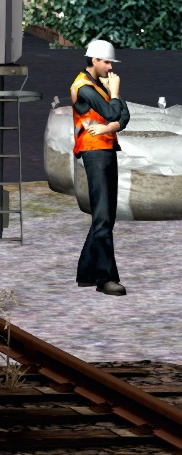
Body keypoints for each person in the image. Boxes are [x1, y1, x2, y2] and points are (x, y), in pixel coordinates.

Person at [70, 38, 131, 296]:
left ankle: (86, 272)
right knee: (104, 217)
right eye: (106, 62)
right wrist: (115, 93)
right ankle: (105, 279)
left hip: (106, 148)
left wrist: (108, 128)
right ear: (93, 60)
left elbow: (123, 117)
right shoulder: (83, 87)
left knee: (105, 216)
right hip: (93, 152)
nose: (110, 67)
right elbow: (112, 111)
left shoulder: (99, 84)